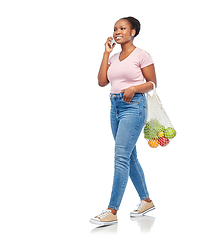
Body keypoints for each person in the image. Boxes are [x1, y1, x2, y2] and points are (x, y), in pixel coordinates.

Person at [90, 17, 157, 226]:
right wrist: (106, 53)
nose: (117, 31)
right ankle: (146, 201)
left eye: (122, 28)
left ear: (133, 32)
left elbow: (152, 83)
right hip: (115, 107)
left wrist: (134, 88)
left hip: (134, 106)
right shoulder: (113, 56)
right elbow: (102, 82)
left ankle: (112, 210)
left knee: (120, 156)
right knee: (129, 156)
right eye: (115, 28)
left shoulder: (142, 55)